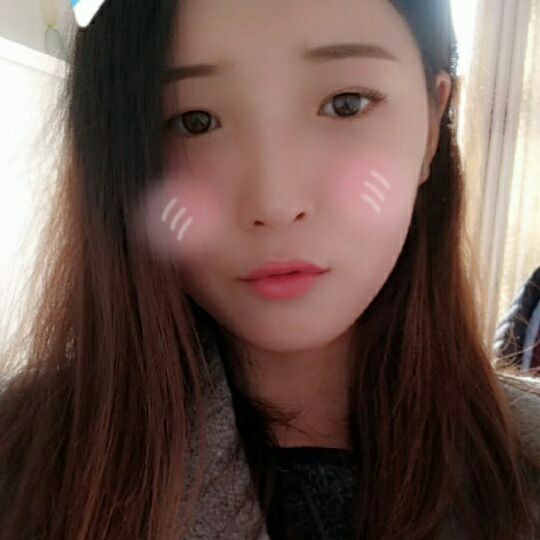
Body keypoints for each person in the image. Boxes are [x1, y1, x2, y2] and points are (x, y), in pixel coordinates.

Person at [1, 0, 540, 538]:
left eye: (346, 104)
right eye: (195, 121)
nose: (275, 203)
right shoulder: (23, 465)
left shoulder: (525, 463)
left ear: (431, 127)